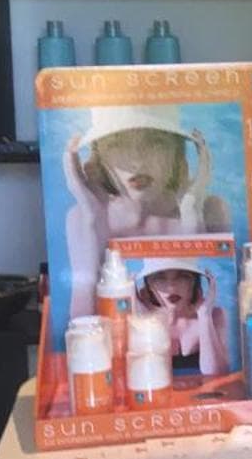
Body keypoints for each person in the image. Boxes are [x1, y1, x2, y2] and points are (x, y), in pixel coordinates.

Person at [61, 109, 229, 318]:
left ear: (177, 153)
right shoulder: (83, 217)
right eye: (118, 144)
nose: (137, 161)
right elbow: (81, 327)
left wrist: (191, 216)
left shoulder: (211, 210)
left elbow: (214, 315)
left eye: (155, 142)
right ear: (101, 159)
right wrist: (92, 221)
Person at [138, 267, 229, 376]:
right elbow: (149, 376)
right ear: (149, 286)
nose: (172, 287)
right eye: (160, 277)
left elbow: (215, 374)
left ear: (194, 283)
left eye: (182, 276)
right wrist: (149, 318)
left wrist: (204, 315)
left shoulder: (215, 315)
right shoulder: (140, 321)